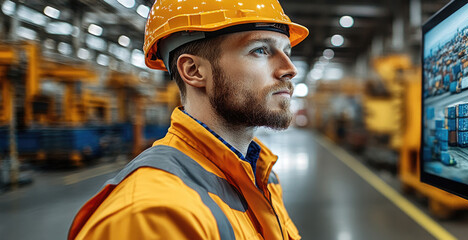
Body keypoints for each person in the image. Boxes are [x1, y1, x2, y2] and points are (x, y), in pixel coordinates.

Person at [68, 0, 308, 239]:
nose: (289, 69)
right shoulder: (151, 215)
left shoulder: (262, 178)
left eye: (287, 52)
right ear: (193, 70)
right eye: (260, 50)